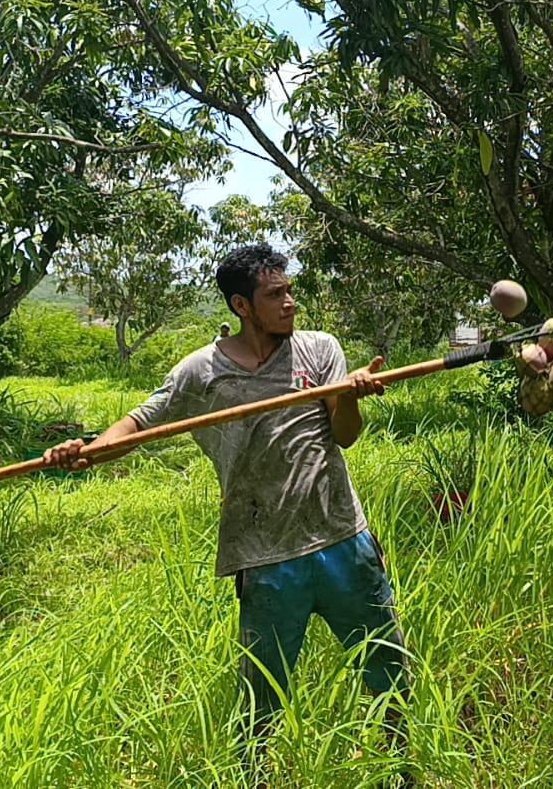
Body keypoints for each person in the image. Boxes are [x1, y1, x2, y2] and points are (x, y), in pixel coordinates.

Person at [44, 244, 408, 758]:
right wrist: (85, 451)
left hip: (341, 539)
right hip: (264, 555)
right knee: (261, 695)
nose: (289, 302)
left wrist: (347, 394)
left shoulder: (320, 349)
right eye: (274, 294)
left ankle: (402, 766)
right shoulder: (204, 371)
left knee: (386, 668)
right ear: (241, 306)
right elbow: (139, 423)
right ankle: (249, 775)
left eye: (289, 290)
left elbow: (344, 436)